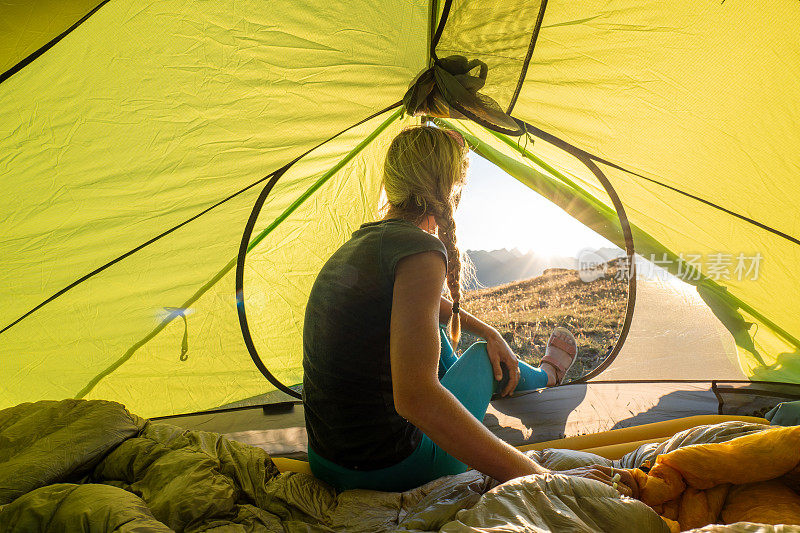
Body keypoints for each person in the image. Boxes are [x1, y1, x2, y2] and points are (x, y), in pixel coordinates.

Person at [302, 125, 637, 496]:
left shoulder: (362, 243)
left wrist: (491, 331)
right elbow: (414, 398)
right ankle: (546, 378)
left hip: (326, 461)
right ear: (452, 187)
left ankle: (524, 376)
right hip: (390, 469)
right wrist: (544, 479)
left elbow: (430, 308)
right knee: (479, 358)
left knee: (446, 334)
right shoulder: (419, 249)